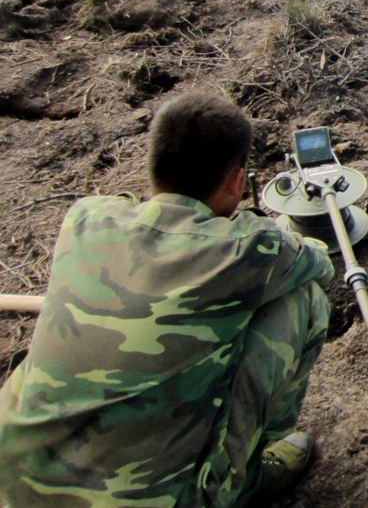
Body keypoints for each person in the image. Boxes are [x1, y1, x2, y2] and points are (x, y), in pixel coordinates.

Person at [0, 92, 335, 507]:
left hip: (12, 483)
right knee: (304, 300)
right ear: (235, 181)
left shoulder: (85, 218)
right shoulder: (252, 251)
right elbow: (320, 264)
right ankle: (247, 475)